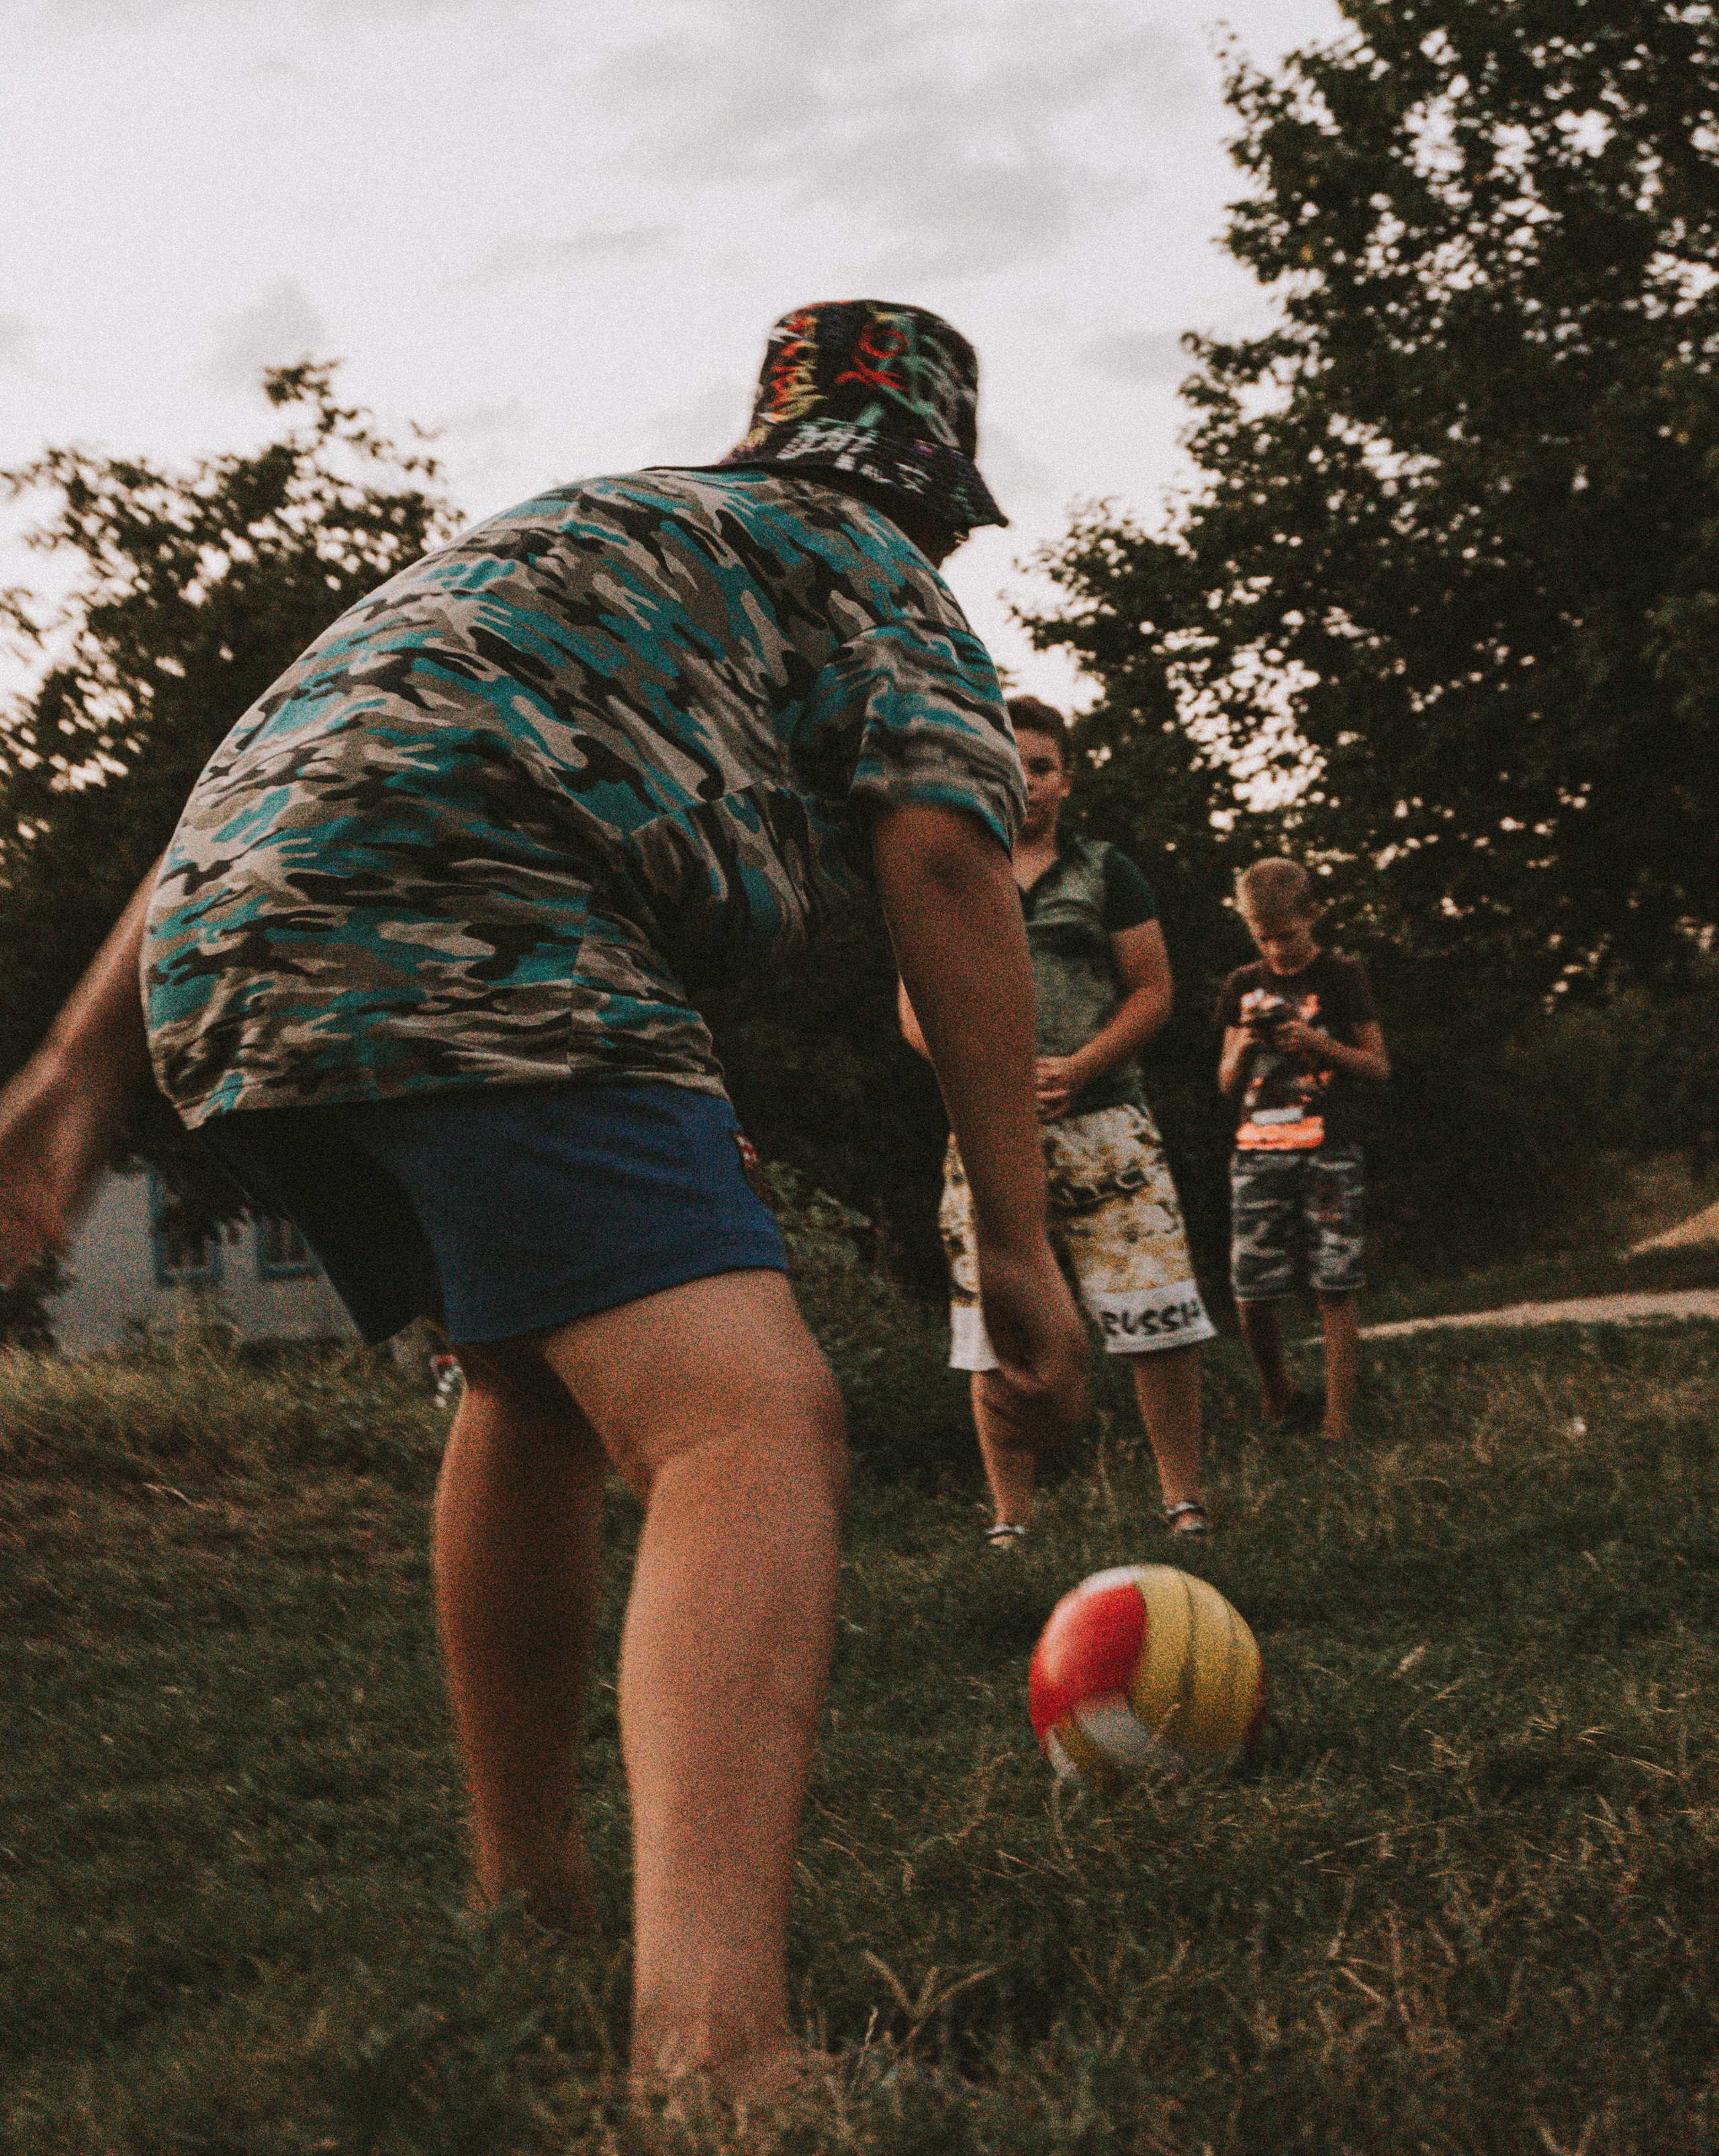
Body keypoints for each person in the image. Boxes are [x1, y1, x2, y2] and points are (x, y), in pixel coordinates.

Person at [0, 299, 1088, 2111]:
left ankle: (536, 1906)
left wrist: (75, 1072)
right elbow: (946, 856)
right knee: (750, 1420)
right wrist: (1020, 1233)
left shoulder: (579, 532)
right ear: (938, 497)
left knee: (525, 1384)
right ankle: (720, 2056)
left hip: (229, 958)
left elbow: (265, 770)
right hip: (489, 908)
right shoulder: (872, 563)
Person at [901, 696, 1216, 1543]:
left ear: (1066, 780)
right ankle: (1012, 1520)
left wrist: (1081, 1066)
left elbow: (1152, 989)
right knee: (993, 1327)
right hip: (987, 1133)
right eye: (1009, 762)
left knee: (1157, 1314)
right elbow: (912, 1008)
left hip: (1109, 1122)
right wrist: (993, 1078)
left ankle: (1181, 1500)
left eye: (1041, 766)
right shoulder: (948, 867)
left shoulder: (1107, 871)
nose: (1026, 780)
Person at [1216, 857, 1391, 1445]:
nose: (1275, 948)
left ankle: (1338, 1422)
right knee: (1252, 1290)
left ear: (1312, 916)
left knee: (1335, 1283)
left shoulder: (1342, 976)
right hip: (1257, 1150)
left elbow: (1377, 1066)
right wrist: (1244, 1046)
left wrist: (1317, 1043)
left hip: (1329, 1148)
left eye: (1285, 934)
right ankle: (1279, 1394)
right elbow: (1225, 1084)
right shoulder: (1242, 984)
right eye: (1261, 936)